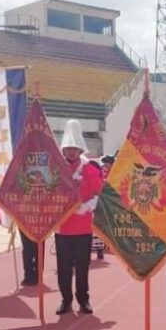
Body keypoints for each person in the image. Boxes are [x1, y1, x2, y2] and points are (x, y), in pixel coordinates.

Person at [55, 119, 103, 314]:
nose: (71, 152)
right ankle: (65, 299)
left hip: (83, 227)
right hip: (62, 228)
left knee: (83, 267)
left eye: (74, 148)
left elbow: (99, 195)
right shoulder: (56, 169)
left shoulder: (90, 168)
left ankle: (83, 299)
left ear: (80, 148)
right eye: (68, 148)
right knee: (63, 268)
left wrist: (85, 207)